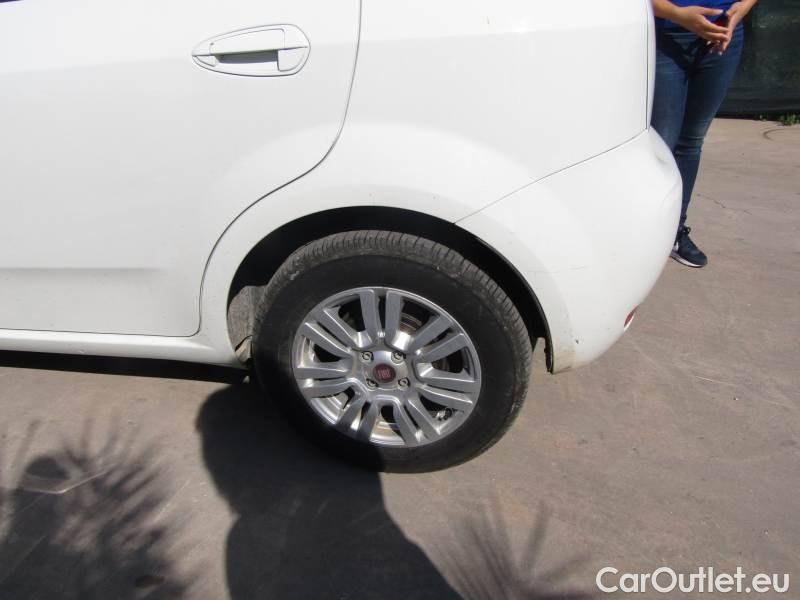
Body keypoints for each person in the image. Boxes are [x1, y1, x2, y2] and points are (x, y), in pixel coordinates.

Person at [651, 0, 758, 268]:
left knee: (691, 141)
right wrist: (676, 14)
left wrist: (742, 9)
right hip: (666, 36)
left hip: (724, 36)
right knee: (659, 145)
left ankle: (674, 231)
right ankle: (645, 233)